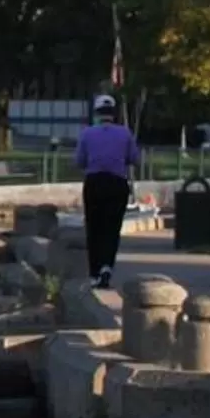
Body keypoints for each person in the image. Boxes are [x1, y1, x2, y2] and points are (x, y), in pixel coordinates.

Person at [76, 94, 140, 287]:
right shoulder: (125, 133)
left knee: (94, 227)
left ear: (96, 113)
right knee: (112, 228)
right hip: (117, 183)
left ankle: (94, 272)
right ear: (114, 113)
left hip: (94, 182)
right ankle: (107, 266)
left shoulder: (87, 134)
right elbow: (135, 159)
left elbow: (79, 161)